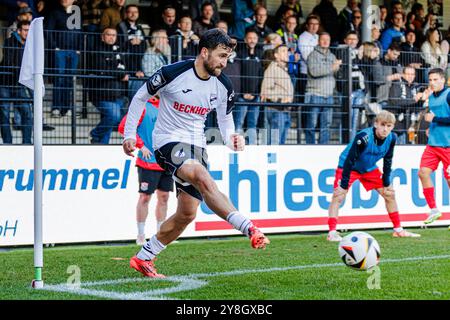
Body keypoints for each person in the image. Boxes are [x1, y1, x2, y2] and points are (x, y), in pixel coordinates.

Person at [123, 29, 270, 278]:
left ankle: (144, 257)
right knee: (202, 176)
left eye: (227, 57)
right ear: (204, 52)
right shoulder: (173, 73)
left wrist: (231, 138)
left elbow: (225, 119)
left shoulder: (223, 84)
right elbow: (140, 97)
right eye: (221, 56)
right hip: (167, 142)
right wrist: (129, 134)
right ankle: (249, 228)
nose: (224, 62)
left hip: (197, 146)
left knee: (187, 213)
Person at [327, 111, 421, 241]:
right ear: (376, 124)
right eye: (382, 125)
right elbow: (350, 160)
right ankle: (332, 233)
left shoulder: (392, 138)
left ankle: (398, 230)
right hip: (349, 166)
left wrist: (387, 182)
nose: (385, 129)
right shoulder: (364, 137)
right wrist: (343, 185)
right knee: (338, 195)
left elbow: (388, 160)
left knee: (389, 194)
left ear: (392, 127)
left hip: (368, 168)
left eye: (389, 126)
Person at [119, 97, 174, 245]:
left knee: (164, 197)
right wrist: (140, 145)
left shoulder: (168, 106)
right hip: (148, 162)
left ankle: (161, 236)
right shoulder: (142, 106)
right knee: (145, 197)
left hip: (166, 161)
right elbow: (123, 127)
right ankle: (141, 235)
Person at [414, 68, 450, 227]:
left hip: (448, 145)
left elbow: (440, 118)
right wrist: (431, 127)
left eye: (436, 79)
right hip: (433, 145)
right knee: (423, 173)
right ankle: (434, 209)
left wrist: (436, 119)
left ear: (443, 80)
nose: (433, 83)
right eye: (430, 80)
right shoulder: (432, 98)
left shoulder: (448, 94)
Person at [88, 27, 129, 144]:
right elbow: (102, 69)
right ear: (102, 37)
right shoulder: (96, 51)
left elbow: (124, 68)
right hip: (102, 94)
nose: (111, 37)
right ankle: (95, 134)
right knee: (114, 116)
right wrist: (120, 73)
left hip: (118, 94)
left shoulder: (119, 51)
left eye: (113, 35)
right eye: (108, 35)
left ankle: (101, 145)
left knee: (110, 122)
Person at [260, 44, 294, 145]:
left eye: (287, 51)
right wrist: (280, 99)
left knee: (280, 145)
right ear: (276, 55)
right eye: (283, 51)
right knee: (275, 144)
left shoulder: (284, 69)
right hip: (276, 110)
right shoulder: (272, 68)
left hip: (285, 110)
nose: (287, 53)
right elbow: (265, 91)